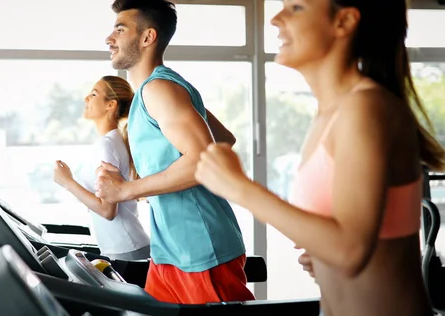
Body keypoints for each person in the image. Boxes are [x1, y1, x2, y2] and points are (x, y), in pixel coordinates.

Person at [194, 0, 445, 315]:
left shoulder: (365, 108)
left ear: (343, 22)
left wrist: (239, 187)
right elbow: (352, 241)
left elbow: (351, 250)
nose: (275, 19)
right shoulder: (333, 113)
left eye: (296, 8)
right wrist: (325, 254)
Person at [94, 0, 255, 305]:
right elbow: (223, 139)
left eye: (119, 29)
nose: (109, 38)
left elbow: (202, 161)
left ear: (147, 37)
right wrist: (158, 180)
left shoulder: (160, 90)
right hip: (169, 251)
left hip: (200, 249)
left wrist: (126, 190)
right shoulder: (155, 92)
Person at [53, 75, 150, 261]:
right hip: (123, 247)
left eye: (94, 94)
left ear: (110, 105)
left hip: (126, 249)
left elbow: (108, 210)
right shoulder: (111, 141)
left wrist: (68, 182)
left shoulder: (107, 145)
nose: (86, 98)